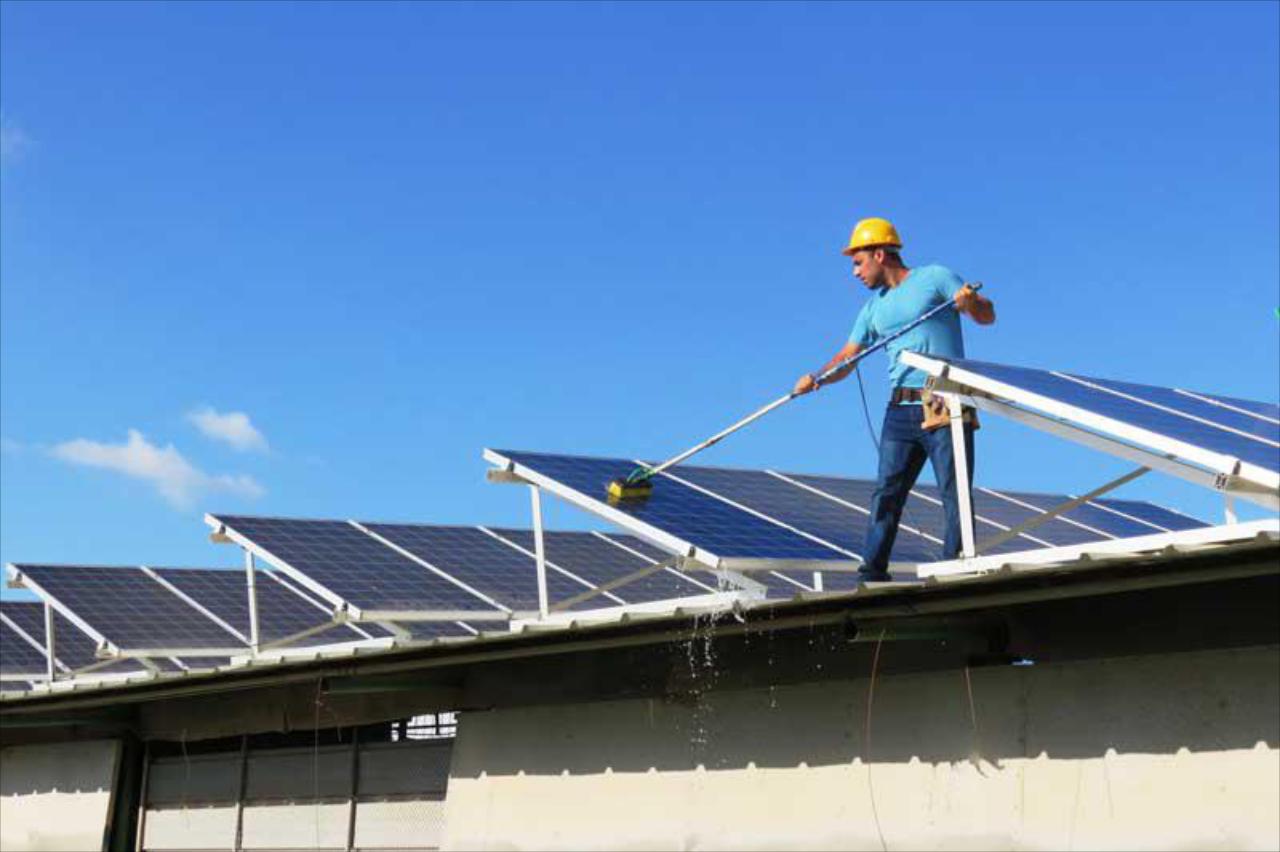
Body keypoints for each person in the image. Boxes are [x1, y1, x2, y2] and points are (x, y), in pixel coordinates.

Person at [793, 217, 996, 581]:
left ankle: (955, 570)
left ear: (880, 254)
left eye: (858, 262)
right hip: (900, 409)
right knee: (886, 492)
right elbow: (847, 357)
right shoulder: (873, 309)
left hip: (943, 400)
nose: (855, 272)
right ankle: (871, 573)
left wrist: (969, 302)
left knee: (954, 492)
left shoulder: (934, 277)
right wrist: (817, 378)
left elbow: (987, 315)